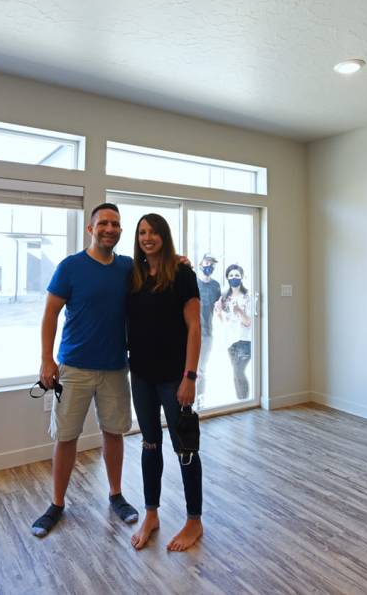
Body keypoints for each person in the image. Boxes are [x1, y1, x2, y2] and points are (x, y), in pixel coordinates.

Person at [31, 203, 140, 537]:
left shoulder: (128, 267)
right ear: (91, 229)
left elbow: (158, 269)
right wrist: (47, 359)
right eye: (104, 223)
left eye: (116, 224)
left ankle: (116, 495)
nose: (110, 229)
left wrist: (180, 261)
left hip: (115, 367)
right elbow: (50, 313)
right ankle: (56, 504)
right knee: (66, 437)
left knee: (114, 432)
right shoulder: (71, 267)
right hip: (74, 368)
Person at [125, 213, 204, 551]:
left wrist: (190, 377)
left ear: (164, 236)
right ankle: (151, 514)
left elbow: (195, 327)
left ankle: (194, 520)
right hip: (141, 376)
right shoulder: (133, 275)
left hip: (175, 378)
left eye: (154, 232)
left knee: (185, 447)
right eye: (142, 232)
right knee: (150, 444)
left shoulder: (182, 274)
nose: (147, 237)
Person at [217, 263, 251, 401]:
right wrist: (219, 312)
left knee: (238, 372)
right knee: (236, 374)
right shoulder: (224, 297)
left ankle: (244, 401)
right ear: (227, 278)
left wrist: (239, 311)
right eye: (231, 275)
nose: (234, 278)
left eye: (237, 275)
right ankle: (241, 401)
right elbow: (223, 321)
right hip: (230, 341)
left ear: (241, 277)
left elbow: (248, 322)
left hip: (244, 340)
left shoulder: (247, 296)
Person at [195, 254, 221, 407]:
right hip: (190, 332)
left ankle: (200, 401)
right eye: (206, 263)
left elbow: (219, 308)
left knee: (201, 370)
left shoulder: (216, 286)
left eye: (211, 264)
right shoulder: (193, 282)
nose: (208, 267)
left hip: (207, 333)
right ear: (201, 265)